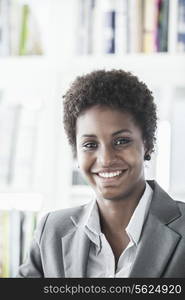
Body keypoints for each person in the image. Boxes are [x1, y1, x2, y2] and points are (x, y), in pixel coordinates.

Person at [17, 69, 185, 278]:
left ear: (147, 143)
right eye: (90, 144)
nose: (105, 159)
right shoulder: (51, 231)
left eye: (121, 141)